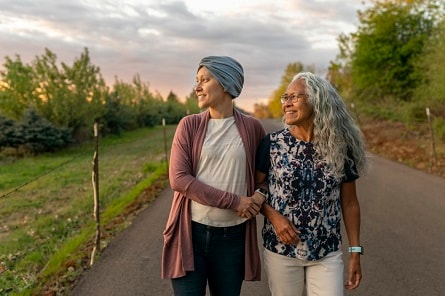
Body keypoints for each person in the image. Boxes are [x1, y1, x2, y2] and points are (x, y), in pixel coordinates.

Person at [255, 72, 367, 296]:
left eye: (294, 97)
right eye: (285, 98)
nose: (286, 103)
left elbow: (350, 203)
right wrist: (274, 218)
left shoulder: (339, 147)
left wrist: (355, 251)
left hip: (326, 251)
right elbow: (255, 189)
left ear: (317, 100)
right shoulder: (272, 144)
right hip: (281, 251)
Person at [161, 56, 266, 296]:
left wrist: (259, 196)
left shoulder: (253, 128)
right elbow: (179, 179)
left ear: (227, 83)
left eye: (205, 80)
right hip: (191, 234)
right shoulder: (188, 125)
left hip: (233, 238)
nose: (197, 87)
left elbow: (265, 178)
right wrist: (235, 201)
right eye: (196, 81)